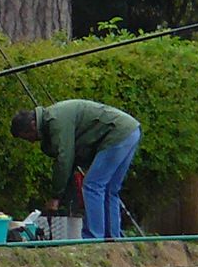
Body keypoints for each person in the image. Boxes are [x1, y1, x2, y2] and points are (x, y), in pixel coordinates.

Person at [9, 99, 142, 239]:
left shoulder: (55, 120)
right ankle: (112, 238)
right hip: (130, 130)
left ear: (33, 125)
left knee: (92, 185)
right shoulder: (53, 119)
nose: (31, 141)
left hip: (117, 133)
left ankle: (92, 237)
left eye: (27, 137)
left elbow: (64, 159)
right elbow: (70, 160)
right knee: (110, 189)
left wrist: (55, 197)